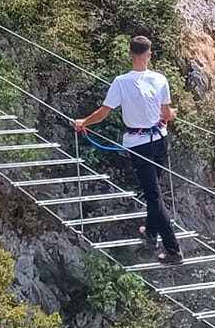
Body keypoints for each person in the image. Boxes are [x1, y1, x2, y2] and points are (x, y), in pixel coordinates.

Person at [73, 35, 180, 263]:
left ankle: (173, 250)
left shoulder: (121, 82)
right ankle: (151, 233)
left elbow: (103, 113)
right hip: (160, 140)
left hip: (139, 144)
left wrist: (83, 122)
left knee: (153, 196)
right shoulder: (160, 79)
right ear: (149, 54)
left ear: (130, 53)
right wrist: (173, 114)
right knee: (154, 193)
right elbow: (165, 115)